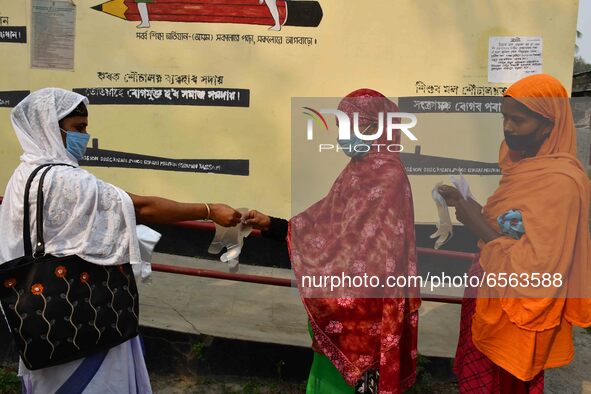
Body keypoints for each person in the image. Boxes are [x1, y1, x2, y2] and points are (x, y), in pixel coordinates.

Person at [0, 88, 242, 393]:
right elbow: (141, 207)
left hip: (40, 311)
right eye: (78, 129)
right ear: (48, 128)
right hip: (80, 309)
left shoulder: (26, 173)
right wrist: (209, 210)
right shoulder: (65, 179)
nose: (84, 137)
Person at [245, 89, 421, 393]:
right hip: (338, 303)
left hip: (365, 312)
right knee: (327, 377)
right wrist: (272, 225)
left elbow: (375, 252)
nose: (341, 135)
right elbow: (324, 223)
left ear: (370, 127)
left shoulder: (389, 176)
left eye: (346, 126)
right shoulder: (355, 171)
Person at [438, 74, 591, 393]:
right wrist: (466, 204)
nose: (508, 128)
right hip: (489, 301)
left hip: (517, 315)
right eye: (505, 118)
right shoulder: (524, 171)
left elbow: (539, 265)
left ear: (548, 126)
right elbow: (509, 228)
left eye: (518, 120)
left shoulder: (561, 183)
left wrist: (473, 222)